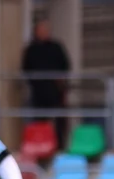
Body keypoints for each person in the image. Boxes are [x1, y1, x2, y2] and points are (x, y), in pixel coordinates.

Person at [21, 18, 72, 149]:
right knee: (39, 120)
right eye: (41, 30)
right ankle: (40, 145)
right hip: (38, 91)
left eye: (46, 30)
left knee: (59, 119)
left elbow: (65, 65)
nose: (44, 32)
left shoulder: (56, 47)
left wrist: (60, 80)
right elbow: (26, 68)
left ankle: (60, 146)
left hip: (56, 90)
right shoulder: (31, 49)